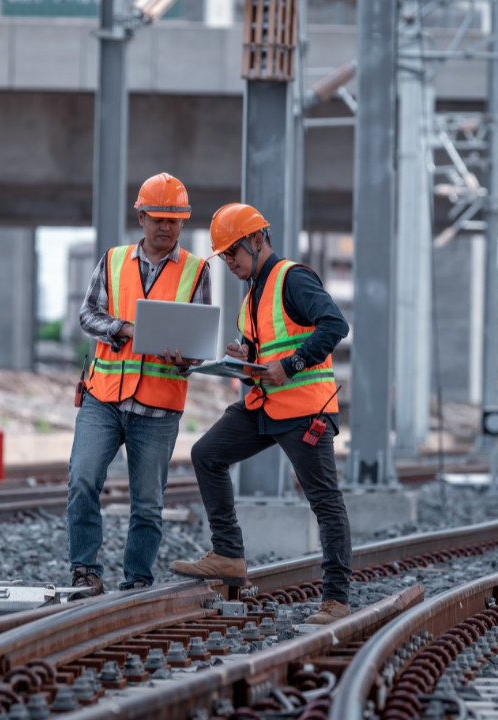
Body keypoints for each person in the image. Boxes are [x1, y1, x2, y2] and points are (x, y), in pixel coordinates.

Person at [169, 202, 353, 625]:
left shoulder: (293, 278)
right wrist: (244, 356)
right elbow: (269, 348)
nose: (229, 262)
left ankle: (336, 600)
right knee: (207, 455)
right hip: (264, 406)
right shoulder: (254, 294)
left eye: (233, 252)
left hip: (305, 411)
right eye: (225, 255)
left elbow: (334, 325)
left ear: (257, 239)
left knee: (324, 502)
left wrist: (288, 366)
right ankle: (229, 554)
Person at [67, 172, 212, 597]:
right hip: (104, 397)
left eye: (174, 220)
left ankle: (137, 581)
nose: (165, 227)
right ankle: (85, 572)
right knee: (82, 479)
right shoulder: (113, 262)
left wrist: (186, 358)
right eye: (158, 219)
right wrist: (124, 328)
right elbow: (87, 316)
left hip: (158, 406)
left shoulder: (196, 271)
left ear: (183, 223)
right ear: (142, 217)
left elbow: (198, 340)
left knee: (147, 503)